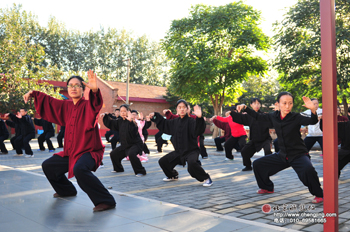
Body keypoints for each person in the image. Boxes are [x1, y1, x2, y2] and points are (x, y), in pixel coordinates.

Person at [23, 70, 116, 212]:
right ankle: (66, 190)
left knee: (80, 169)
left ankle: (106, 200)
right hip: (71, 152)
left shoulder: (88, 105)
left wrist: (95, 90)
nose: (73, 88)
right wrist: (33, 93)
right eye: (70, 85)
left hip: (89, 151)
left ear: (83, 89)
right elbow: (50, 102)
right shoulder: (65, 106)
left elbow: (96, 103)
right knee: (48, 166)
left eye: (77, 85)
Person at [236, 92, 324, 204]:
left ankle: (319, 194)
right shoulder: (274, 116)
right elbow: (258, 116)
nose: (287, 106)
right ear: (278, 103)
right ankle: (267, 187)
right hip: (282, 155)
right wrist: (245, 108)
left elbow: (312, 121)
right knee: (258, 164)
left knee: (308, 170)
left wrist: (313, 110)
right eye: (284, 103)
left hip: (298, 155)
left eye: (290, 103)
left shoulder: (296, 117)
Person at [150, 99, 213, 187]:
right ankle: (173, 175)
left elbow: (198, 130)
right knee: (163, 161)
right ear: (177, 110)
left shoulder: (191, 121)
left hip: (191, 151)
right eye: (180, 107)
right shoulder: (175, 121)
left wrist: (199, 118)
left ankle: (206, 178)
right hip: (179, 151)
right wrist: (155, 116)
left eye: (184, 107)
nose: (182, 109)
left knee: (192, 164)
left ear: (187, 109)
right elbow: (164, 123)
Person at [228, 98, 272, 171]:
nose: (257, 105)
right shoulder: (248, 116)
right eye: (255, 103)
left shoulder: (264, 115)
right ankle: (248, 166)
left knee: (268, 151)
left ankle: (270, 167)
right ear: (251, 105)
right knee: (244, 151)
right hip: (254, 140)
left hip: (265, 139)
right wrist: (231, 113)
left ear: (260, 105)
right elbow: (240, 118)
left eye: (258, 103)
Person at [102, 104, 147, 176]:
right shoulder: (119, 121)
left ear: (129, 112)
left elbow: (134, 130)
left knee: (132, 154)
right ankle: (118, 169)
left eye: (124, 111)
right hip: (125, 145)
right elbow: (111, 123)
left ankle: (141, 171)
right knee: (113, 154)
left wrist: (130, 121)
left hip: (135, 144)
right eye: (121, 111)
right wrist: (106, 116)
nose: (122, 113)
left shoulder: (133, 121)